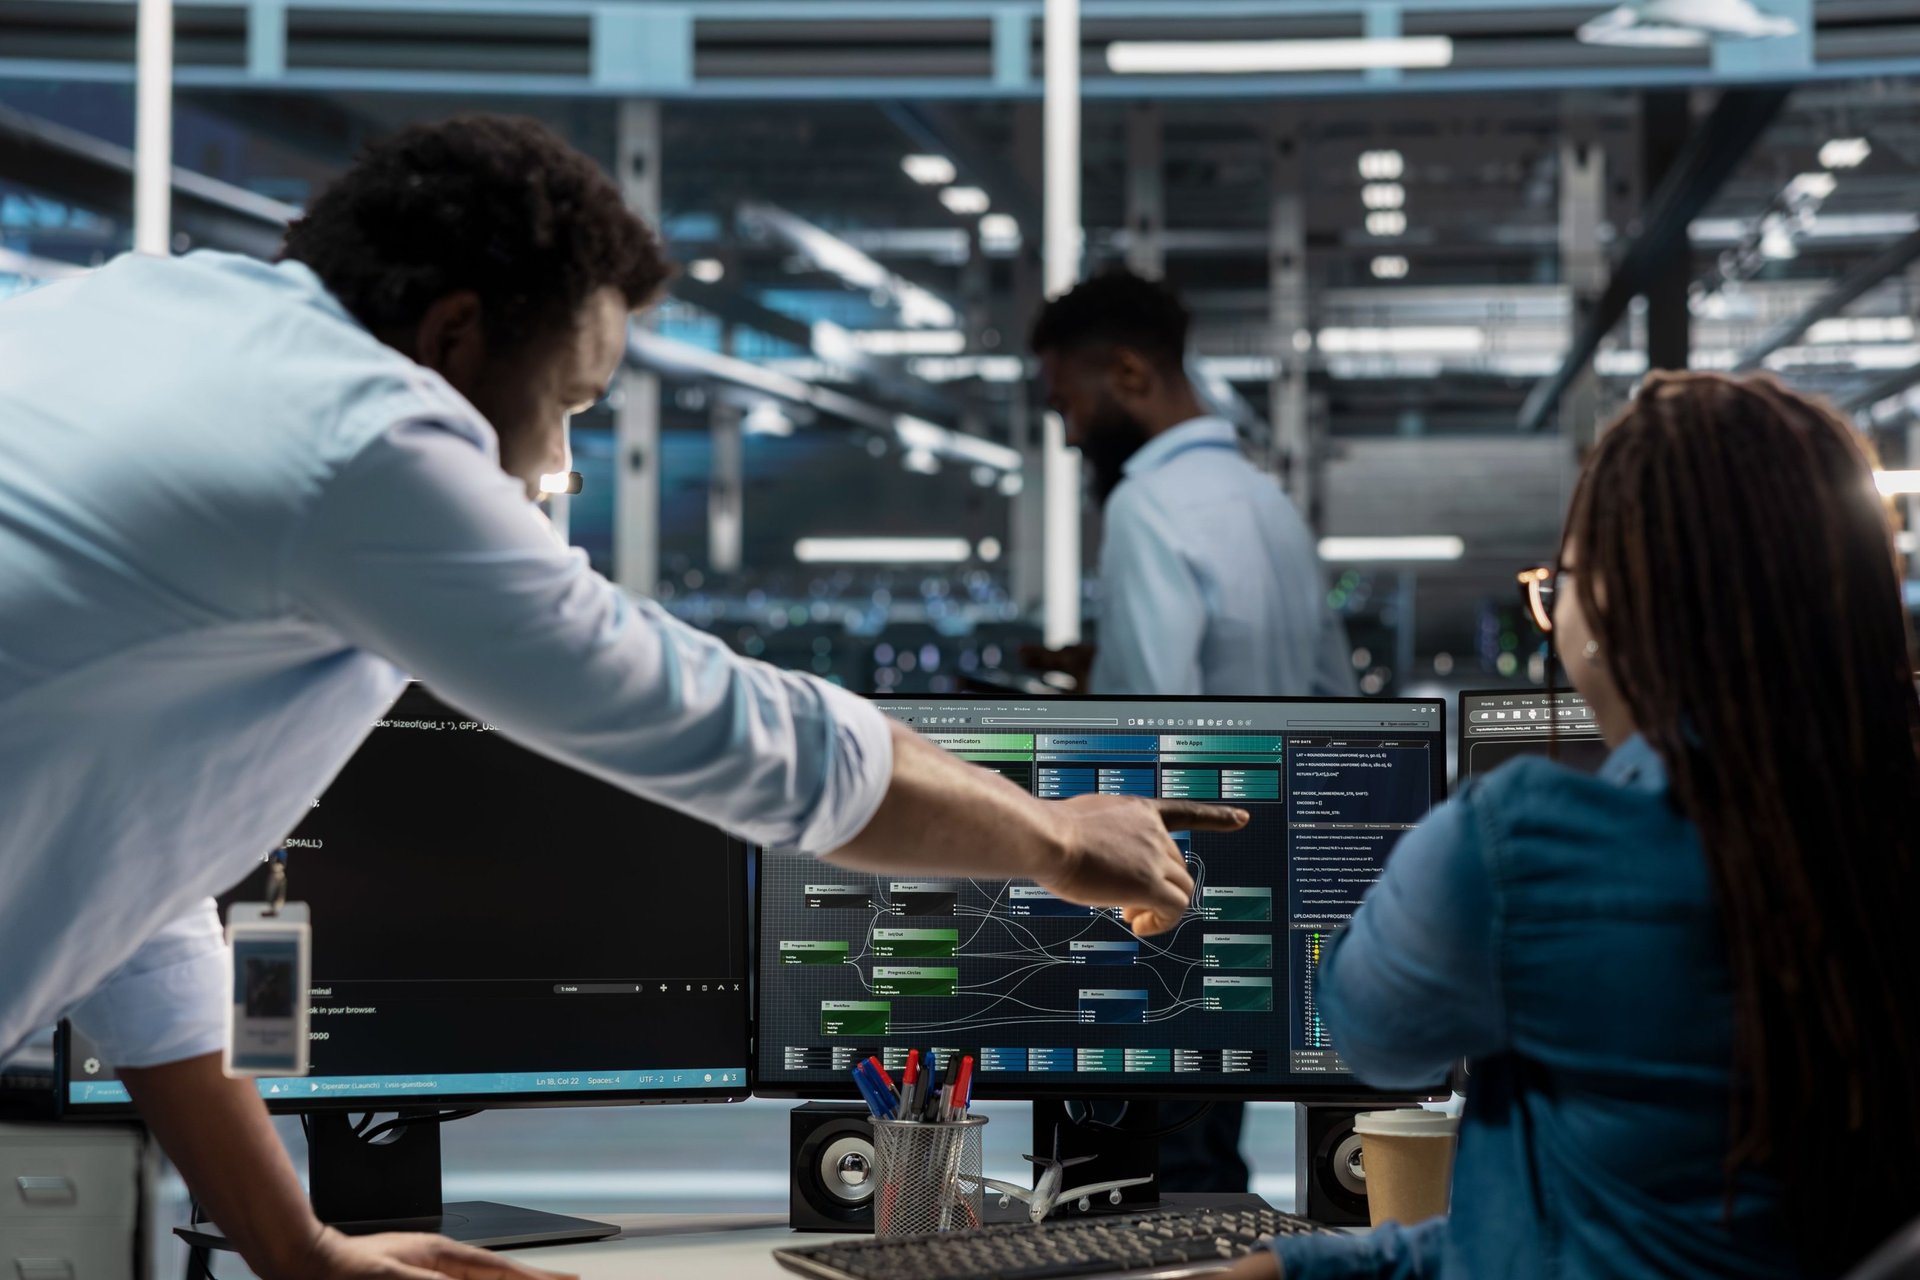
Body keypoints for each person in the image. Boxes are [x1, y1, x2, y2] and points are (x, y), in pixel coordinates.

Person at [0, 117, 1248, 1280]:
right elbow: (744, 737)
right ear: (453, 337)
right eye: (569, 403)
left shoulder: (154, 310)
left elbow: (146, 889)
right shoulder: (362, 441)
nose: (559, 463)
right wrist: (1061, 836)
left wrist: (301, 1248)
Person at [1224, 371, 1920, 1279]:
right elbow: (1646, 1229)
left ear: (1625, 604)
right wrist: (1300, 1269)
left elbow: (1366, 1032)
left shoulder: (1525, 848)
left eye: (1562, 583)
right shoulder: (1877, 846)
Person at [1024, 269, 1355, 1194]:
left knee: (1124, 1192)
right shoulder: (1270, 504)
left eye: (1070, 403)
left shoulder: (1146, 506)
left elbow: (1143, 734)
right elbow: (1330, 699)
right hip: (1255, 893)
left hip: (1155, 903)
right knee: (1206, 1170)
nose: (1071, 430)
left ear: (1129, 373)